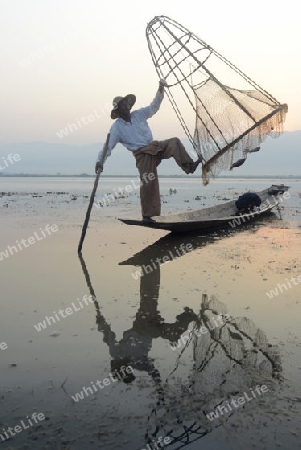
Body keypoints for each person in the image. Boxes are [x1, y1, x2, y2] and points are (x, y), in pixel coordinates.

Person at [95, 79, 202, 223]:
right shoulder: (117, 128)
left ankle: (189, 166)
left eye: (126, 105)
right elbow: (108, 147)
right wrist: (99, 161)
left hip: (155, 147)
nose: (126, 107)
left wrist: (160, 89)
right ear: (118, 111)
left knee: (174, 142)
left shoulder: (139, 114)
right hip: (142, 155)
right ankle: (148, 215)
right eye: (122, 106)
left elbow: (154, 106)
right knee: (148, 181)